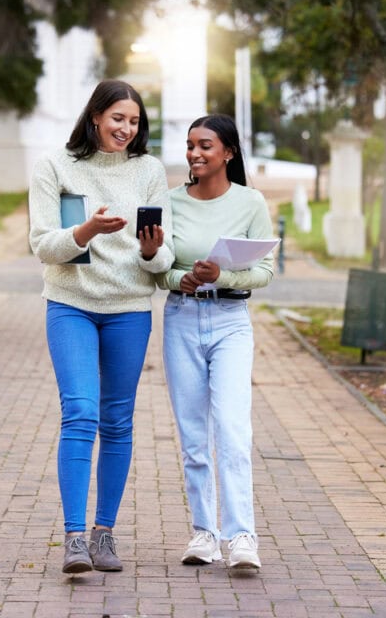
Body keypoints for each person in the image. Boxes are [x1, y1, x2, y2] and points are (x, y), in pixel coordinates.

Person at [28, 79, 173, 574]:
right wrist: (87, 229)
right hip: (71, 304)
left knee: (117, 420)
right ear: (95, 117)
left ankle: (104, 534)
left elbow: (162, 255)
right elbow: (44, 245)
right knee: (81, 412)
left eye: (133, 121)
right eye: (117, 119)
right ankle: (73, 537)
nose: (126, 129)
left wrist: (153, 251)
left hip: (130, 308)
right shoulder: (55, 166)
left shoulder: (149, 170)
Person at [158, 114, 275, 570]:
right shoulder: (170, 202)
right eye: (190, 145)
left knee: (231, 429)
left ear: (228, 152)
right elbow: (156, 268)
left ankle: (242, 536)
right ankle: (204, 533)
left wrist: (221, 275)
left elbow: (263, 272)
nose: (195, 153)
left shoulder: (250, 202)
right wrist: (180, 278)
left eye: (205, 145)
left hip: (230, 321)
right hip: (182, 318)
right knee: (192, 436)